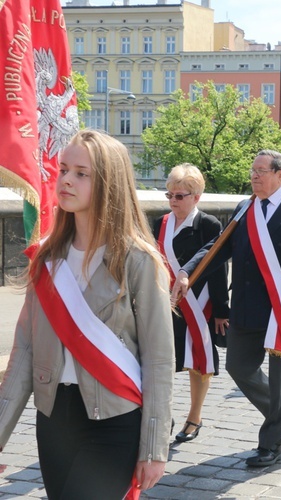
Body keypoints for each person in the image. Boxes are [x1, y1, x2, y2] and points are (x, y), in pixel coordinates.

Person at [0, 130, 174, 498]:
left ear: (109, 183)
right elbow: (24, 354)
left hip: (114, 419)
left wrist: (155, 447)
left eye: (82, 173)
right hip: (53, 420)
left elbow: (159, 360)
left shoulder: (140, 261)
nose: (65, 180)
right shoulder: (46, 260)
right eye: (64, 169)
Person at [173, 149, 281, 467]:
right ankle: (280, 412)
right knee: (238, 367)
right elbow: (217, 248)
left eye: (261, 170)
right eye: (252, 170)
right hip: (246, 307)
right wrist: (188, 270)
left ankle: (271, 444)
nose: (254, 176)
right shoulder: (246, 208)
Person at [153, 164, 230, 442]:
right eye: (169, 195)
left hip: (200, 304)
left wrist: (222, 310)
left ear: (196, 197)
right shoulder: (160, 223)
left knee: (197, 362)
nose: (173, 200)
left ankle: (194, 416)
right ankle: (162, 414)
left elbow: (218, 268)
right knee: (162, 361)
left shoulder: (208, 224)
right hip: (166, 305)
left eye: (180, 195)